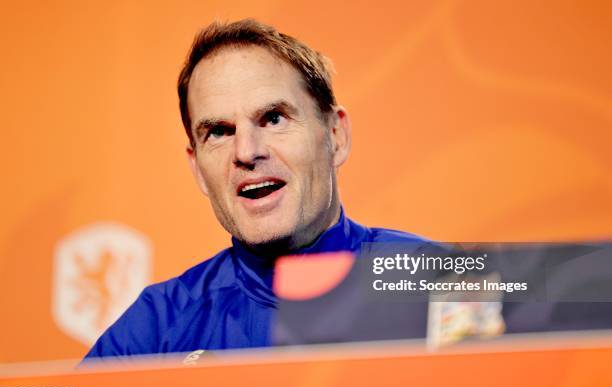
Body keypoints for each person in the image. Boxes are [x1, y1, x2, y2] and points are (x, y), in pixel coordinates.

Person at [84, 19, 426, 359]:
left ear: (336, 136)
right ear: (197, 168)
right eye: (219, 131)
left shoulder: (443, 283)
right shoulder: (154, 330)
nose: (246, 151)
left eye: (274, 118)